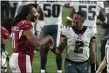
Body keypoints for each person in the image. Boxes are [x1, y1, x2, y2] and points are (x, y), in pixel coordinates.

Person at [9, 4, 54, 73]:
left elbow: (35, 46)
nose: (37, 14)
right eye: (35, 12)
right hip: (22, 58)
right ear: (29, 14)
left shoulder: (19, 23)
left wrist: (43, 42)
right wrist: (48, 38)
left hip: (15, 58)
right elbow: (37, 43)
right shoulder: (26, 24)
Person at [66, 1, 106, 72]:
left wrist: (71, 30)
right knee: (93, 57)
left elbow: (68, 19)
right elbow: (104, 19)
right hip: (91, 33)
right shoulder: (97, 2)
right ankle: (93, 71)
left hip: (78, 34)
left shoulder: (77, 2)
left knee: (77, 59)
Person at [37, 1, 70, 73]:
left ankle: (42, 71)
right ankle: (59, 71)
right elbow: (70, 5)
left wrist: (34, 25)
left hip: (46, 27)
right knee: (58, 50)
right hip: (56, 26)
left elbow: (37, 13)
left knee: (44, 49)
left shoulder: (42, 1)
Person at [100, 1, 109, 73]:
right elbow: (100, 17)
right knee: (103, 54)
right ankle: (103, 71)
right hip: (104, 33)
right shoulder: (103, 3)